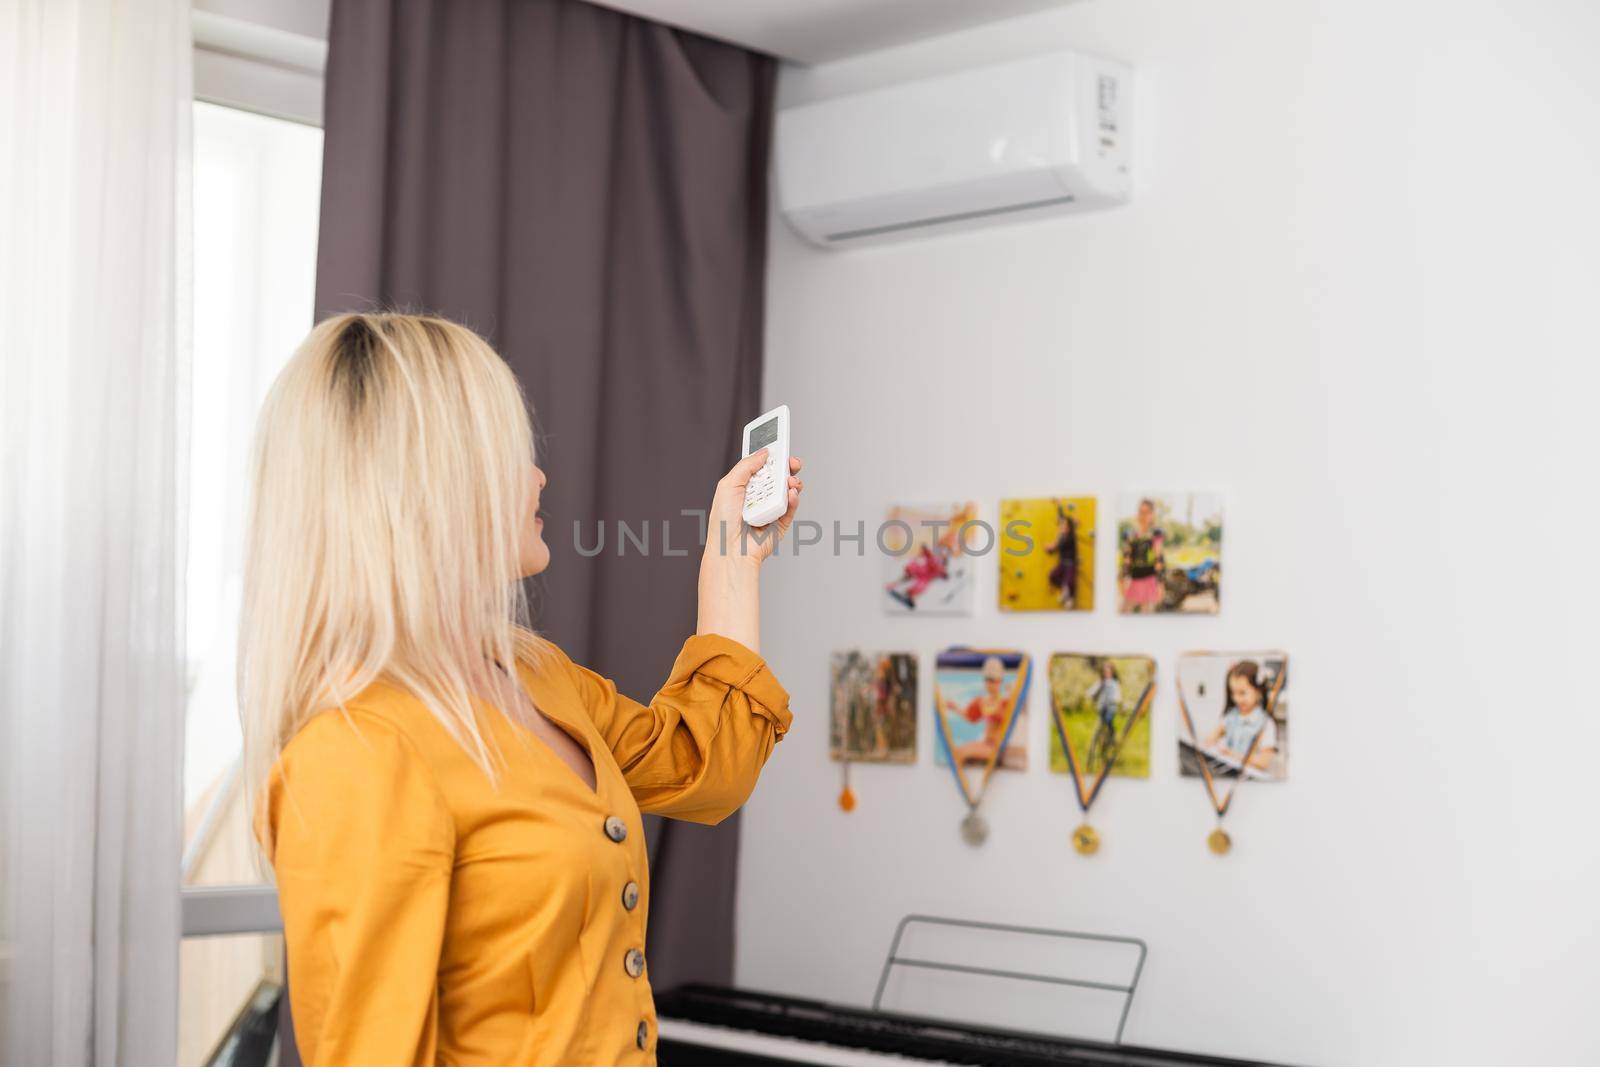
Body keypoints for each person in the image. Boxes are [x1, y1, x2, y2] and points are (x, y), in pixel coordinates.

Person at [240, 313, 804, 1066]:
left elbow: (707, 763)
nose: (539, 476)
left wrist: (735, 551)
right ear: (429, 483)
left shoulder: (531, 672)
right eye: (511, 454)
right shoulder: (355, 750)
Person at [1202, 660, 1278, 773]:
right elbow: (1210, 739)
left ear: (1258, 691)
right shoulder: (1231, 716)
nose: (1236, 699)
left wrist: (1232, 754)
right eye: (1233, 693)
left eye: (1242, 693)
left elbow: (1264, 762)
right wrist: (1211, 744)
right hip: (1227, 773)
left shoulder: (1266, 724)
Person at [943, 656, 1012, 764]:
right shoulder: (982, 701)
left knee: (961, 753)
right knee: (956, 752)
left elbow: (1010, 714)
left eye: (993, 681)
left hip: (997, 748)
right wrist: (954, 707)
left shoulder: (1006, 702)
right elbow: (970, 716)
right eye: (987, 680)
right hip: (986, 744)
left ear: (1000, 681)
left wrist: (1010, 692)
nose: (989, 684)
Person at [1119, 498, 1165, 613]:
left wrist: (1160, 584)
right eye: (1140, 512)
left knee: (1147, 617)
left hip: (1150, 582)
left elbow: (1158, 560)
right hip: (1134, 582)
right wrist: (1122, 578)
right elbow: (1127, 559)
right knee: (1124, 611)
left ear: (1152, 515)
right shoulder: (1130, 534)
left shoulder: (1155, 534)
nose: (1143, 516)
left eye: (1146, 512)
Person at [1085, 660, 1121, 770]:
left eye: (1109, 671)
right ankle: (1101, 743)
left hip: (1110, 708)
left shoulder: (1115, 683)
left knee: (1109, 721)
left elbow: (1118, 696)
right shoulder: (1101, 682)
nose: (1107, 673)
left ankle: (1111, 738)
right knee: (1100, 726)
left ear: (1112, 672)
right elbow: (1092, 691)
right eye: (1105, 671)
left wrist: (1116, 700)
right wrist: (1090, 694)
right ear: (1103, 672)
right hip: (1101, 708)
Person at [1046, 506, 1079, 608]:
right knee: (1052, 576)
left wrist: (1051, 547)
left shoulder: (1071, 536)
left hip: (1070, 564)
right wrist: (1059, 506)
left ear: (1069, 527)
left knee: (1069, 582)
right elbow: (1062, 517)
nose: (1062, 526)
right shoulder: (1062, 535)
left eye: (1065, 525)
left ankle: (1069, 597)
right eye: (1062, 525)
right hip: (1062, 563)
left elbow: (1059, 546)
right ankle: (1065, 591)